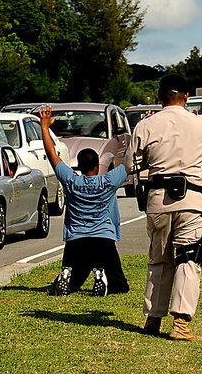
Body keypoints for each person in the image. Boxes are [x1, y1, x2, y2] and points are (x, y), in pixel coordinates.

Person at [127, 73, 202, 342]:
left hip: (158, 199)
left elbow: (130, 164)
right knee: (188, 259)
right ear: (186, 97)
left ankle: (153, 318)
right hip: (193, 200)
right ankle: (181, 324)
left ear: (159, 98)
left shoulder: (146, 125)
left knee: (159, 259)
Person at [39, 104, 129, 297]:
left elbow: (51, 154)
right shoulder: (108, 181)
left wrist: (44, 127)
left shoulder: (71, 180)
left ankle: (66, 275)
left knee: (74, 281)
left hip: (76, 239)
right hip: (103, 237)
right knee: (120, 284)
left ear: (78, 166)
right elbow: (130, 158)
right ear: (97, 165)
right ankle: (102, 275)